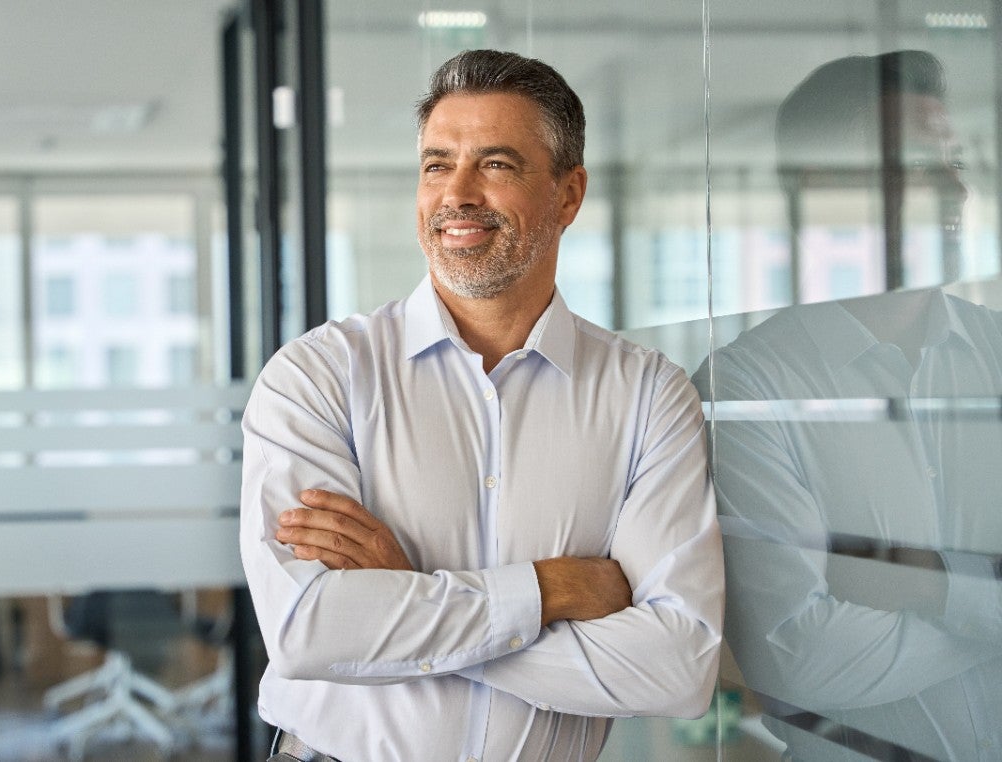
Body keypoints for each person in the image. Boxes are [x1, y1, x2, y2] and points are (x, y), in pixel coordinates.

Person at [241, 49, 724, 762]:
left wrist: (406, 599)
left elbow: (676, 667)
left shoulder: (647, 395)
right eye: (438, 164)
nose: (457, 194)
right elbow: (309, 630)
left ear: (568, 195)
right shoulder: (319, 376)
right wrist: (547, 592)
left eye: (495, 165)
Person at [694, 51, 1002, 760]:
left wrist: (928, 589)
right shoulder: (748, 388)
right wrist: (981, 612)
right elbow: (793, 659)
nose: (954, 189)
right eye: (918, 163)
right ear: (826, 187)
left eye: (952, 161)